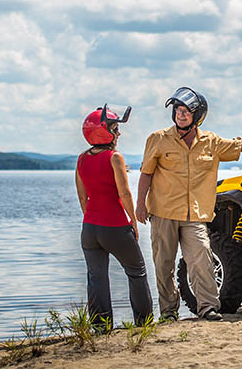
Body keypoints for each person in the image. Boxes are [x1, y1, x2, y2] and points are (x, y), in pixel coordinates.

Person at [135, 86, 242, 321]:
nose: (181, 114)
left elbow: (240, 145)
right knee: (164, 265)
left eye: (186, 111)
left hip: (195, 214)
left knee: (202, 258)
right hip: (163, 211)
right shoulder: (158, 139)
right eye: (178, 110)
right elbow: (146, 173)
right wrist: (140, 204)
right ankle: (168, 312)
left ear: (198, 116)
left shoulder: (211, 142)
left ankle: (207, 307)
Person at [74, 104, 153, 330]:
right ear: (104, 131)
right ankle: (144, 323)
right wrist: (133, 222)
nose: (119, 134)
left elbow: (82, 197)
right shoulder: (114, 157)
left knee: (96, 277)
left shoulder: (81, 159)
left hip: (89, 228)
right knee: (137, 271)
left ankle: (100, 326)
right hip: (115, 226)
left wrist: (92, 219)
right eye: (116, 129)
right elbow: (124, 193)